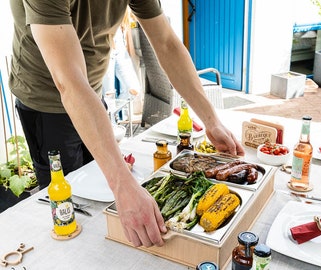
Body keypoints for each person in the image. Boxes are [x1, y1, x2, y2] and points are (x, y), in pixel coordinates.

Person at [9, 0, 245, 248]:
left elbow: (166, 43)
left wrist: (211, 120)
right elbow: (68, 81)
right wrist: (122, 184)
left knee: (101, 194)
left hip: (90, 91)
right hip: (45, 100)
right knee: (68, 207)